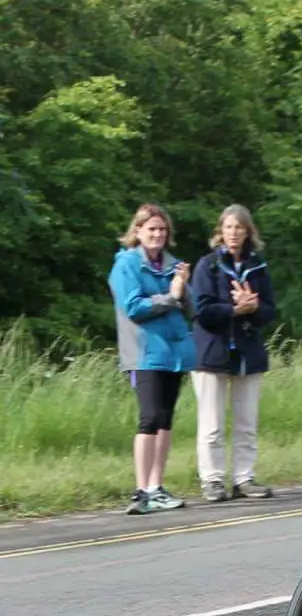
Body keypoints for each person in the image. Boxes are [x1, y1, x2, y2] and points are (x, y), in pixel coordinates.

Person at [108, 203, 196, 515]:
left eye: (162, 230)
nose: (157, 234)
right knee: (148, 417)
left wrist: (183, 290)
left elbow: (191, 309)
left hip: (174, 352)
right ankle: (141, 490)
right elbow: (133, 307)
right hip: (144, 353)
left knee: (165, 419)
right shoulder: (126, 265)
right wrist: (170, 297)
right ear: (138, 232)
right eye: (151, 229)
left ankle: (157, 486)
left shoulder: (173, 264)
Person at [190, 205, 277, 502]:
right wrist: (234, 309)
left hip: (247, 352)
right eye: (228, 227)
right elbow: (201, 311)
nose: (233, 233)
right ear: (220, 231)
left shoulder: (258, 267)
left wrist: (253, 309)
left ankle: (244, 478)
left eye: (239, 228)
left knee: (246, 422)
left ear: (248, 232)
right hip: (212, 352)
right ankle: (212, 479)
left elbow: (269, 311)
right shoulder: (207, 265)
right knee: (212, 423)